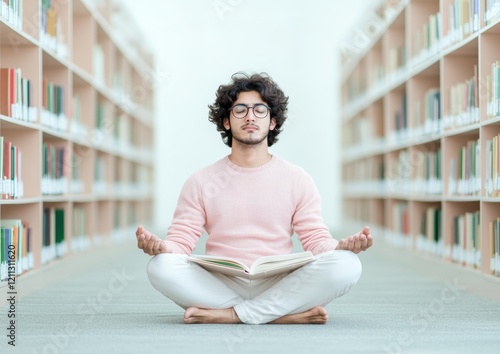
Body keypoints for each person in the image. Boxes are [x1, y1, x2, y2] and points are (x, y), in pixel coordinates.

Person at [136, 72, 373, 325]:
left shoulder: (298, 178)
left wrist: (340, 247)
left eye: (260, 110)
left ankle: (234, 315)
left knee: (347, 264)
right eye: (240, 110)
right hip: (220, 282)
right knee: (159, 267)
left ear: (272, 122)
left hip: (279, 280)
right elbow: (181, 241)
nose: (250, 116)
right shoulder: (200, 181)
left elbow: (315, 239)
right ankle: (280, 314)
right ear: (226, 121)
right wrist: (163, 249)